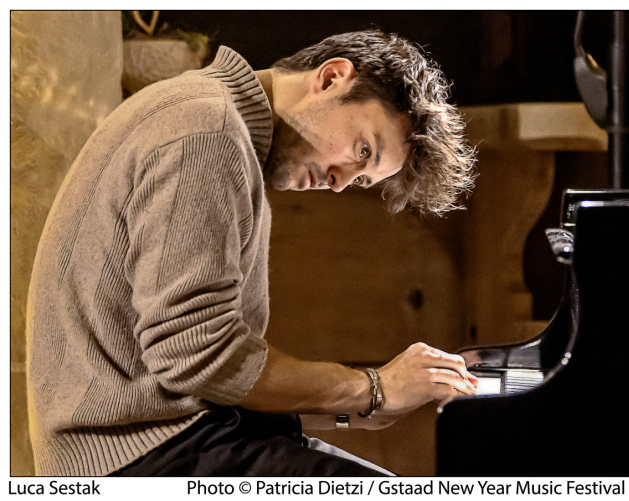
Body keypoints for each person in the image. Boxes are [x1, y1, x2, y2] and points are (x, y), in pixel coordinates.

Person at [26, 29, 478, 477]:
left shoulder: (220, 124)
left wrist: (357, 407)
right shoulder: (207, 130)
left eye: (362, 179)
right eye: (362, 150)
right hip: (133, 459)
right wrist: (371, 388)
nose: (341, 181)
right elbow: (194, 355)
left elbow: (193, 369)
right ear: (332, 77)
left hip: (176, 439)